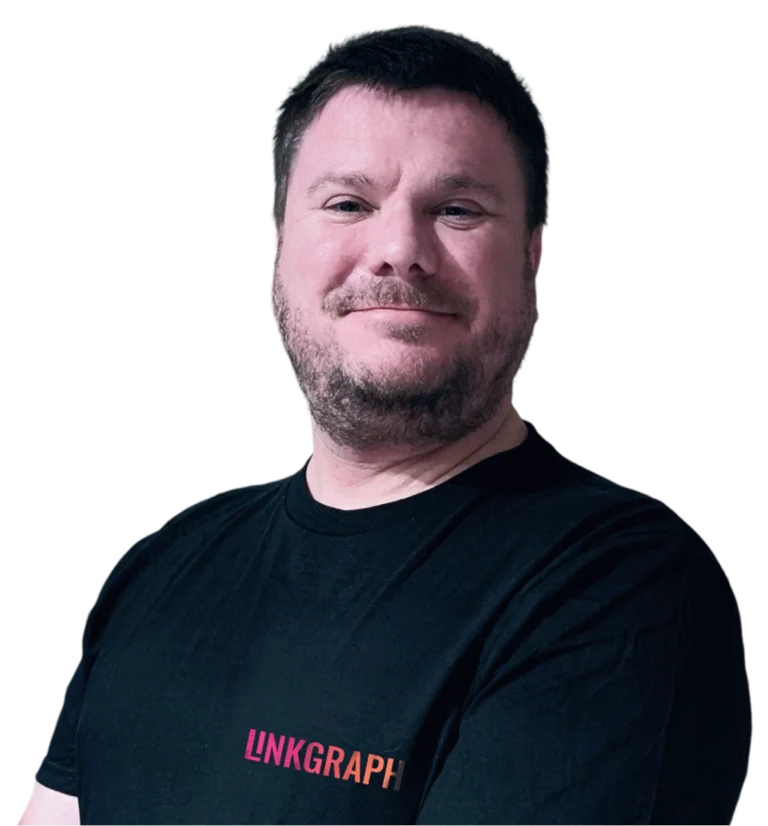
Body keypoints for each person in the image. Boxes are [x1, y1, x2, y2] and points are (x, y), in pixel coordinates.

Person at [29, 23, 753, 824]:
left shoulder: (616, 586)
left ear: (534, 269)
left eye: (457, 208)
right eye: (348, 203)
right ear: (273, 263)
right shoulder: (163, 564)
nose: (399, 250)